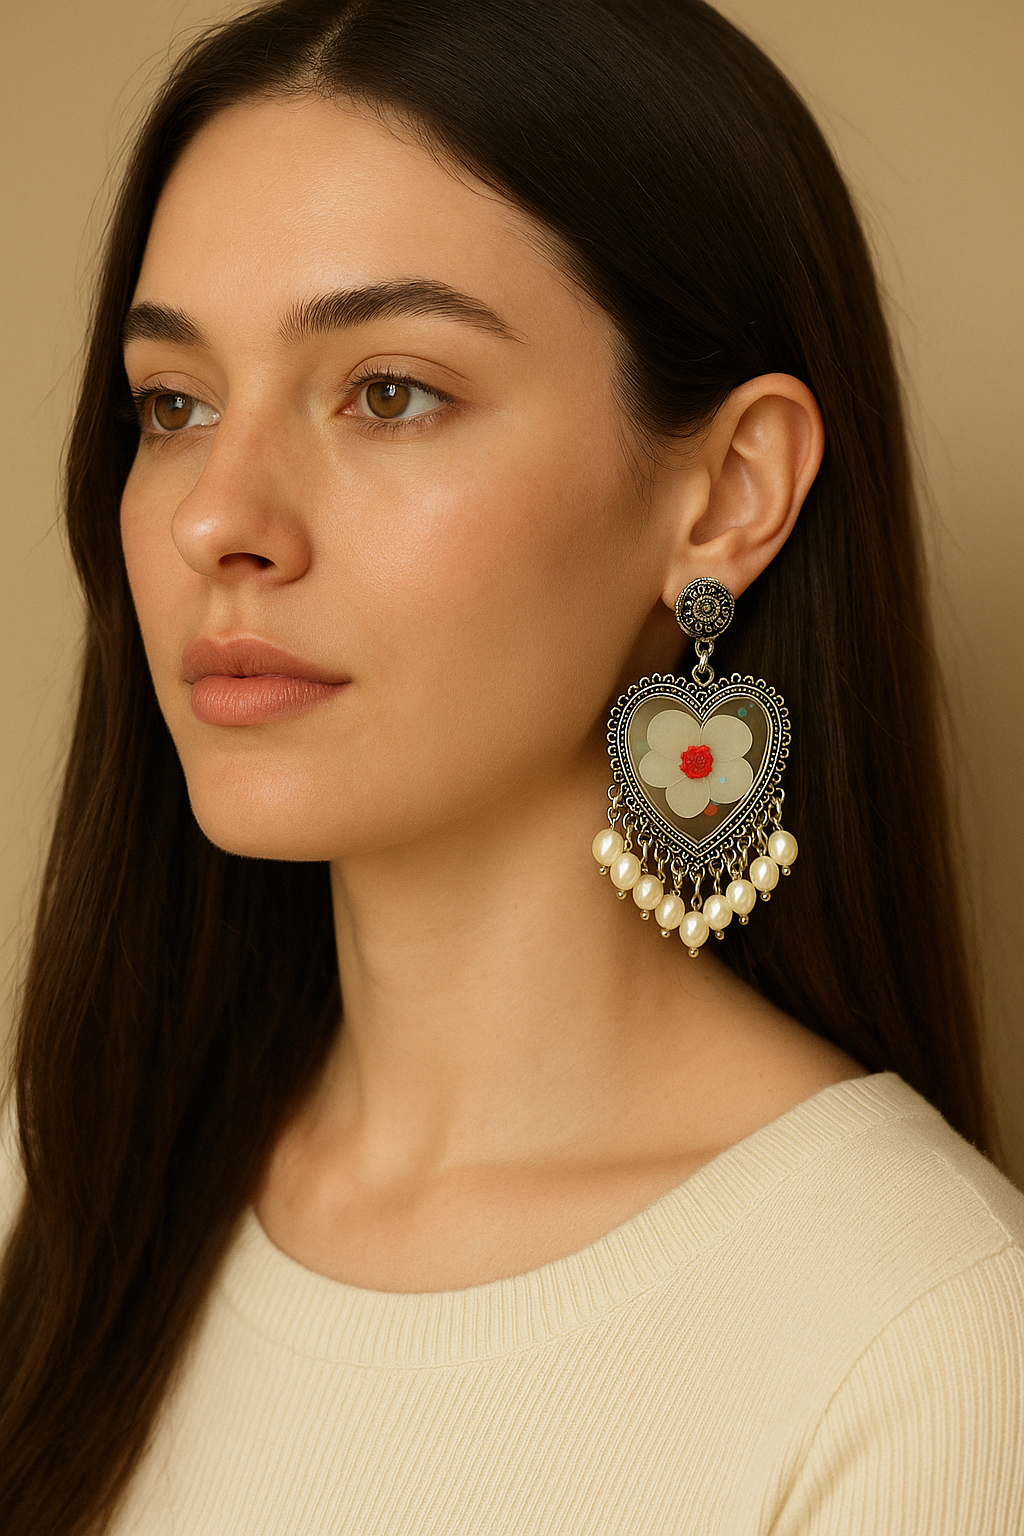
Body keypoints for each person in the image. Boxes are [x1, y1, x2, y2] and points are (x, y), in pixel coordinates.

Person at [1, 0, 1022, 1530]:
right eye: (175, 404)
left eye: (390, 392)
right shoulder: (51, 1193)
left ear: (727, 493)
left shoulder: (925, 1347)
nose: (219, 517)